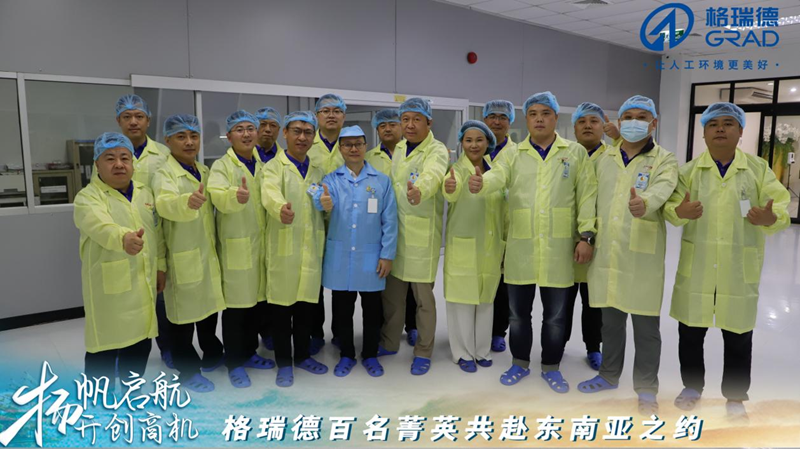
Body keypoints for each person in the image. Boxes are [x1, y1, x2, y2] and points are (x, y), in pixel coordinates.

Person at [665, 102, 790, 420]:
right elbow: (671, 206)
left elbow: (780, 205)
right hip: (699, 265)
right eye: (713, 124)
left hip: (737, 266)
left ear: (740, 131)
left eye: (728, 123)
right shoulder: (689, 172)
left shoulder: (758, 169)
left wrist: (770, 217)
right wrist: (679, 211)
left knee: (738, 335)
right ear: (704, 133)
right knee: (690, 332)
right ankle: (691, 387)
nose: (720, 128)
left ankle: (735, 397)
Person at [470, 91, 597, 392]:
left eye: (545, 113)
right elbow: (498, 176)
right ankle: (520, 363)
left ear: (555, 117)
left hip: (558, 246)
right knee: (518, 315)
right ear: (526, 119)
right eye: (533, 114)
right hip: (522, 247)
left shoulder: (574, 153)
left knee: (555, 316)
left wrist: (587, 235)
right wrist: (481, 182)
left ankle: (551, 367)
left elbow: (587, 195)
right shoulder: (513, 154)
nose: (539, 119)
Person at [577, 95, 678, 415]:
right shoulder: (603, 158)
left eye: (642, 117)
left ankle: (646, 389)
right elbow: (588, 198)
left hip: (642, 255)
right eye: (629, 117)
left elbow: (663, 188)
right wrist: (586, 235)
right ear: (620, 123)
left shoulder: (664, 160)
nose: (635, 122)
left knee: (646, 329)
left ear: (654, 123)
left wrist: (644, 202)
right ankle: (608, 375)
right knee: (610, 323)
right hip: (607, 251)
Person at [74, 132, 164, 385]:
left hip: (143, 280)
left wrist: (161, 266)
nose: (119, 164)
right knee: (105, 347)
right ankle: (97, 399)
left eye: (125, 158)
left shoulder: (145, 194)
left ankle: (131, 392)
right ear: (97, 164)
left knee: (140, 343)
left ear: (133, 163)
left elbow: (157, 234)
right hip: (109, 287)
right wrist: (122, 238)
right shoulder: (88, 197)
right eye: (110, 158)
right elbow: (99, 225)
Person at [313, 125, 397, 378]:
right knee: (342, 310)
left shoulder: (381, 181)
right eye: (347, 144)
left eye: (358, 144)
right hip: (340, 256)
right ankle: (347, 355)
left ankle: (370, 354)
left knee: (372, 311)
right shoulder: (331, 180)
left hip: (371, 256)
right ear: (340, 149)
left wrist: (387, 255)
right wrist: (321, 202)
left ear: (365, 146)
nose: (353, 149)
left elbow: (390, 221)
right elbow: (320, 199)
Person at [153, 114, 226, 393]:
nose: (189, 142)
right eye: (181, 137)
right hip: (180, 255)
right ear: (167, 140)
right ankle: (187, 371)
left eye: (194, 136)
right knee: (181, 320)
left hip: (206, 254)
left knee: (208, 310)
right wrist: (186, 202)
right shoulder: (164, 174)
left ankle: (212, 353)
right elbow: (165, 204)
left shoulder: (204, 171)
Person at [379, 97, 449, 375]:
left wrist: (420, 190)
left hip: (421, 234)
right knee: (393, 297)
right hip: (395, 232)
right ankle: (389, 341)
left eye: (416, 119)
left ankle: (423, 350)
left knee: (423, 300)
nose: (409, 125)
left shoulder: (437, 149)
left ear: (428, 122)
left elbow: (433, 174)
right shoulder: (399, 147)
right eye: (405, 119)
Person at [261, 111, 329, 387]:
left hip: (310, 249)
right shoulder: (273, 167)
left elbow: (322, 205)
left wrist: (327, 206)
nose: (302, 137)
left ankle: (302, 356)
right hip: (283, 249)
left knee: (305, 309)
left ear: (313, 137)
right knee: (281, 312)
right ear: (285, 134)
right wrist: (280, 208)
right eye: (297, 131)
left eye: (308, 132)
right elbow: (269, 193)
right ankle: (284, 363)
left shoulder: (317, 171)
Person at [208, 110, 276, 388]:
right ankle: (234, 362)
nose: (246, 134)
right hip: (237, 247)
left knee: (256, 307)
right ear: (229, 135)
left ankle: (249, 353)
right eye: (240, 129)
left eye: (250, 128)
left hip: (259, 248)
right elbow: (216, 194)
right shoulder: (222, 166)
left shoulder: (263, 164)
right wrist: (234, 196)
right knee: (236, 310)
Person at [115, 94, 173, 369]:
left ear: (148, 121)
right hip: (122, 236)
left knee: (161, 297)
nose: (133, 122)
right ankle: (125, 353)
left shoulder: (163, 154)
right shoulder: (109, 155)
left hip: (156, 232)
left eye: (139, 116)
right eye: (127, 117)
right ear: (118, 121)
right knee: (125, 300)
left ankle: (167, 347)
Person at [442, 121, 504, 372]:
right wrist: (450, 188)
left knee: (486, 300)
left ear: (488, 142)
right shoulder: (455, 170)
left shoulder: (496, 170)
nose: (474, 145)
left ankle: (482, 350)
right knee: (462, 301)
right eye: (468, 140)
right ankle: (463, 353)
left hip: (490, 246)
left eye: (479, 140)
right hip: (464, 244)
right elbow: (451, 190)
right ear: (462, 143)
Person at [564, 102, 619, 371]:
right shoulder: (565, 155)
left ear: (603, 127)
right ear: (574, 127)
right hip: (565, 237)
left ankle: (593, 347)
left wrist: (619, 139)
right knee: (561, 302)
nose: (587, 126)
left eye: (594, 121)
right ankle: (557, 345)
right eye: (582, 121)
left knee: (593, 301)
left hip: (600, 240)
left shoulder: (614, 156)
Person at [366, 108, 419, 347]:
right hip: (379, 226)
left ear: (401, 127)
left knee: (410, 280)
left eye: (392, 124)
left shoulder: (413, 153)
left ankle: (413, 326)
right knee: (384, 281)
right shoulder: (370, 157)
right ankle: (384, 329)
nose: (387, 128)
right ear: (377, 130)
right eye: (382, 125)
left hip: (409, 222)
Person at [308, 93, 348, 354]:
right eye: (326, 111)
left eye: (336, 111)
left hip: (344, 222)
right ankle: (315, 333)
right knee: (314, 283)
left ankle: (341, 332)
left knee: (343, 282)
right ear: (317, 116)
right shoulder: (307, 144)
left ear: (343, 116)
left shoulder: (350, 144)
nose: (331, 115)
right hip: (312, 221)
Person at [481, 99, 517, 354]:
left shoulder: (518, 153)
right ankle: (480, 329)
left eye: (502, 117)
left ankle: (498, 332)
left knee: (504, 284)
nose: (496, 121)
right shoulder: (474, 147)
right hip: (479, 223)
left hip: (508, 225)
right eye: (492, 116)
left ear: (510, 122)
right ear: (484, 120)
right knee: (480, 280)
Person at [253, 106, 284, 351]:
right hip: (250, 232)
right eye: (262, 125)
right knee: (253, 289)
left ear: (279, 130)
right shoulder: (241, 157)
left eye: (272, 125)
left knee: (276, 285)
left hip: (279, 230)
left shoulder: (284, 159)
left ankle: (273, 332)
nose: (267, 130)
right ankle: (256, 333)